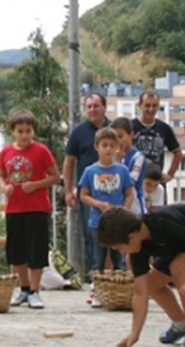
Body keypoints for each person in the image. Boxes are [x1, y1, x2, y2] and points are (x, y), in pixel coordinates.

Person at [97, 205, 185, 347]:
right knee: (152, 285)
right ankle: (181, 324)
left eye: (119, 248)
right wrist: (134, 334)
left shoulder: (162, 221)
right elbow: (140, 293)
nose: (122, 252)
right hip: (181, 244)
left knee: (179, 266)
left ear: (131, 237)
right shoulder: (138, 250)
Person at [0, 110, 60, 309]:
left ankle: (35, 291)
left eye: (28, 131)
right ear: (13, 132)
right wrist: (4, 187)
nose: (24, 135)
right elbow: (1, 175)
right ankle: (23, 288)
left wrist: (36, 185)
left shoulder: (41, 150)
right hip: (14, 208)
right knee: (16, 251)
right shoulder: (6, 152)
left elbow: (55, 176)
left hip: (37, 207)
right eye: (20, 131)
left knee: (36, 249)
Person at [78, 127, 135, 308]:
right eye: (104, 145)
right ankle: (97, 290)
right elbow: (83, 195)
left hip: (118, 223)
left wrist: (123, 211)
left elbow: (129, 193)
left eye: (112, 145)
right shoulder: (90, 171)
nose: (108, 149)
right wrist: (99, 204)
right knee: (98, 258)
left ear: (117, 147)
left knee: (119, 257)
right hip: (98, 221)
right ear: (97, 147)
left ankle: (120, 292)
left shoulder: (122, 170)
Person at [63, 93, 111, 273]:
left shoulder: (114, 129)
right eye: (89, 106)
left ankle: (113, 277)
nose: (92, 110)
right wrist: (68, 191)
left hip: (113, 191)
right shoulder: (78, 132)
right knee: (92, 235)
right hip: (88, 194)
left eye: (96, 106)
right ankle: (95, 276)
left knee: (115, 236)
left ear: (104, 108)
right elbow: (69, 162)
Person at [132, 91, 183, 187]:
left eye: (154, 106)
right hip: (135, 182)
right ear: (139, 105)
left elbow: (178, 153)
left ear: (158, 106)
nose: (151, 109)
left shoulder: (164, 128)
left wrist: (170, 174)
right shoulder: (130, 127)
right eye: (147, 105)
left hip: (156, 183)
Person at [111, 117, 147, 214]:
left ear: (131, 135)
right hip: (116, 205)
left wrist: (118, 162)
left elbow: (131, 181)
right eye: (114, 137)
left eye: (120, 136)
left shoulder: (138, 157)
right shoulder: (111, 156)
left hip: (134, 208)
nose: (117, 141)